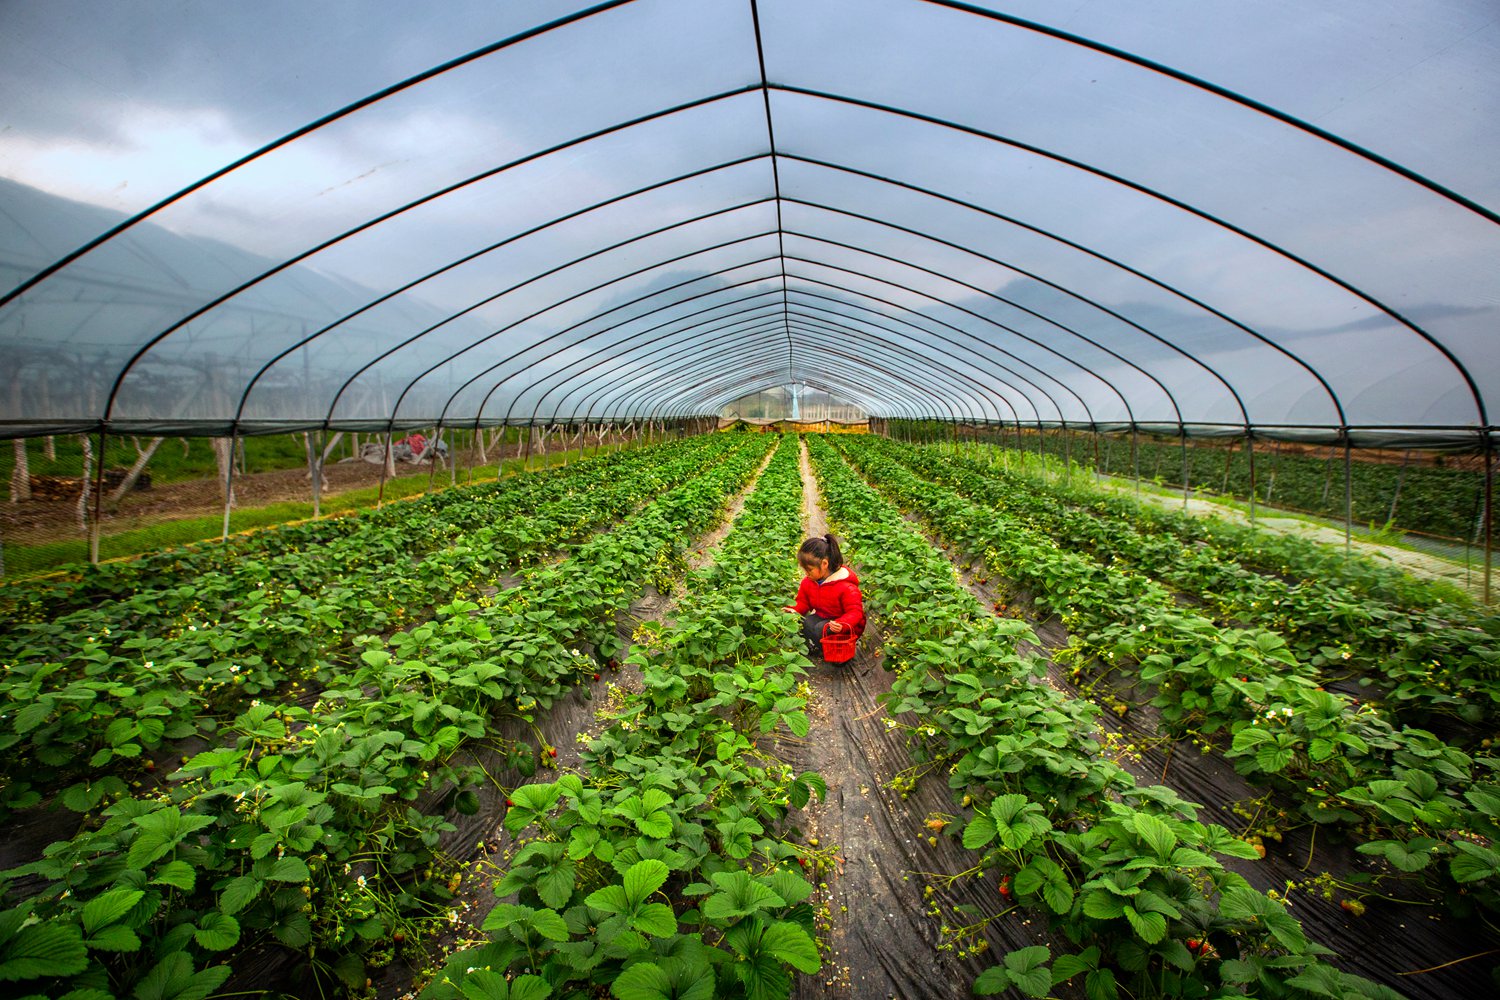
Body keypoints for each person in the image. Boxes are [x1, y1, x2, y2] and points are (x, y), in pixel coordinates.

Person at [782, 534, 865, 662]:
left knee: (822, 628)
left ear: (824, 564)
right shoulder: (808, 582)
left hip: (844, 626)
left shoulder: (846, 587)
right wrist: (794, 610)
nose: (806, 573)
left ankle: (839, 656)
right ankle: (821, 648)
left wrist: (842, 624)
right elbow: (803, 602)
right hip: (824, 617)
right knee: (806, 622)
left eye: (809, 569)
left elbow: (855, 612)